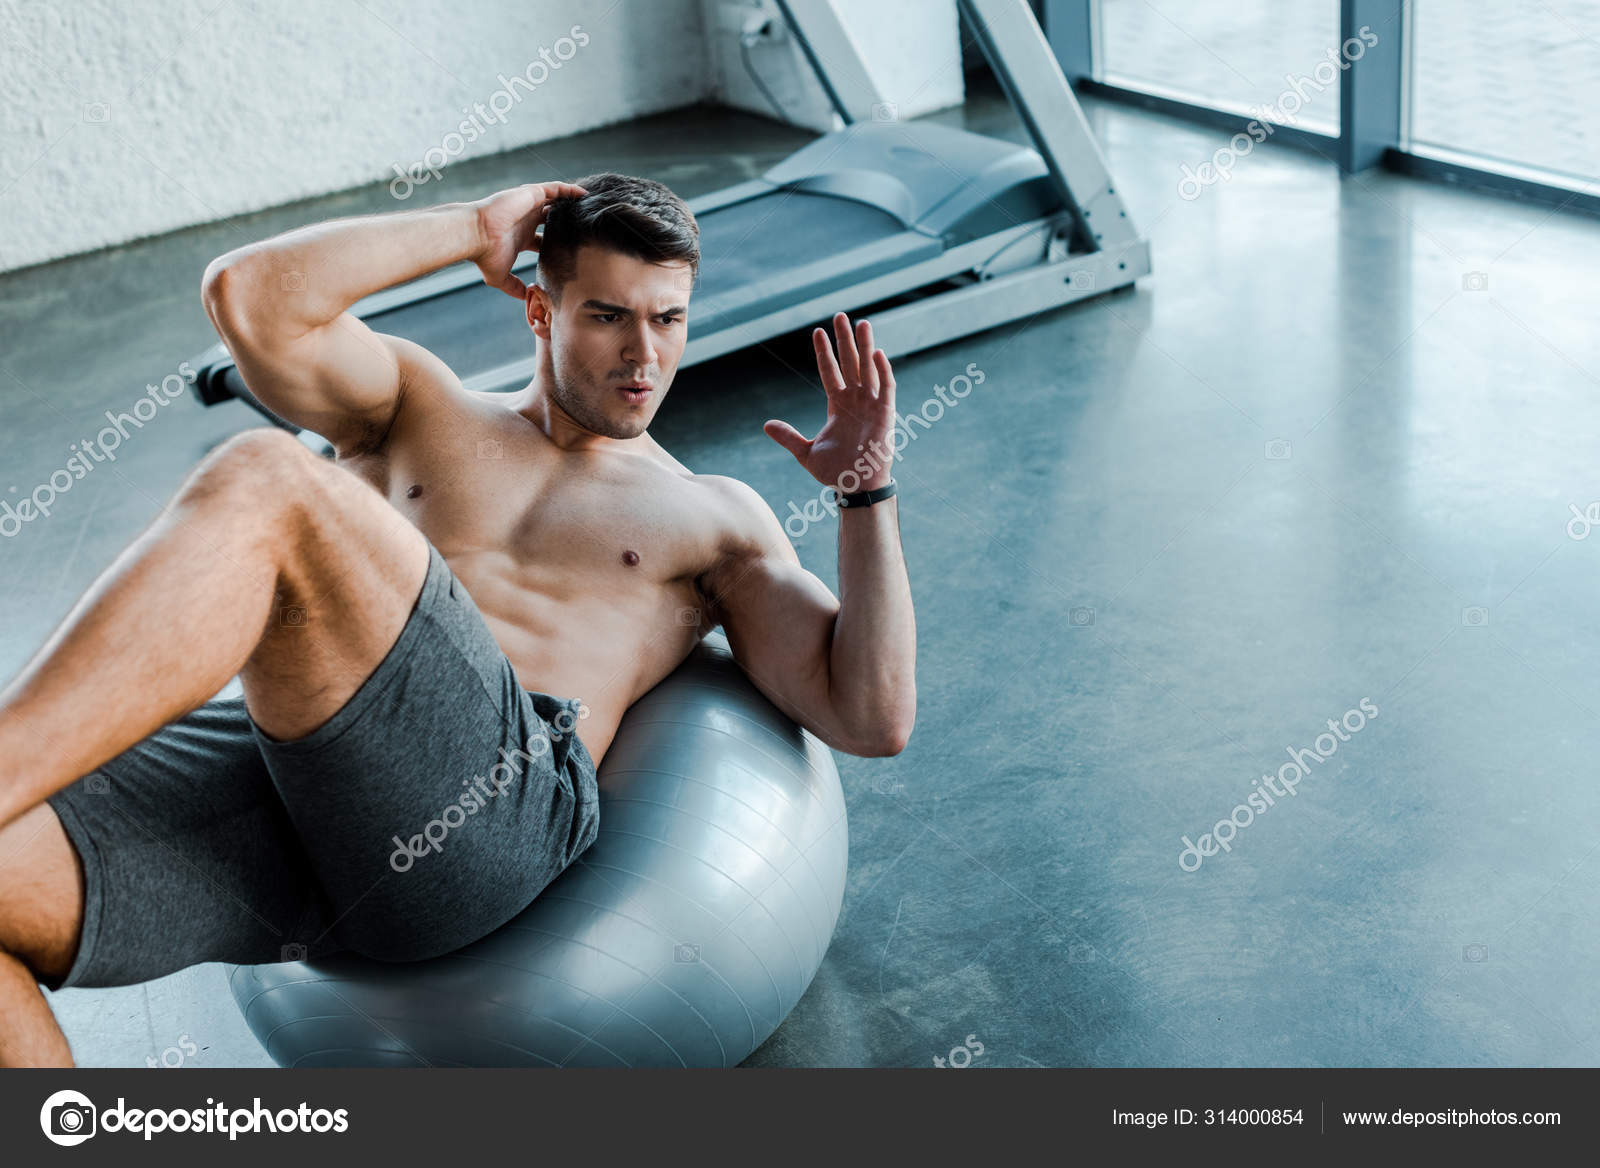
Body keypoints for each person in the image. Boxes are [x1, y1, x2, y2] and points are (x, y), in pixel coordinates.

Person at [0, 174, 917, 1067]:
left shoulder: (713, 518)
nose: (645, 357)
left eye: (667, 319)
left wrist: (866, 491)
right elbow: (248, 296)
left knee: (265, 477)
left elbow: (870, 717)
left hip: (490, 826)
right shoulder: (414, 403)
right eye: (608, 316)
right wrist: (476, 225)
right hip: (296, 794)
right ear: (541, 311)